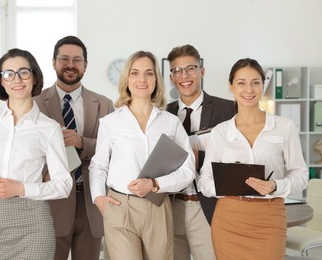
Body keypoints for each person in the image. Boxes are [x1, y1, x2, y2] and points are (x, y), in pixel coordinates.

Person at [0, 48, 73, 260]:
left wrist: (21, 188)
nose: (17, 79)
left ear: (34, 77)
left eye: (24, 72)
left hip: (33, 223)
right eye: (9, 74)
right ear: (2, 82)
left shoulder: (48, 128)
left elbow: (63, 184)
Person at [89, 50, 195, 260]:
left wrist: (155, 184)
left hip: (158, 207)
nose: (142, 79)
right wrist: (98, 198)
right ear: (126, 79)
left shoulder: (170, 122)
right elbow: (98, 165)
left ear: (156, 79)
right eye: (135, 73)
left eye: (149, 73)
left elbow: (188, 169)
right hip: (120, 207)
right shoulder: (111, 122)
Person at [199, 58, 309, 259]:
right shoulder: (220, 132)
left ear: (262, 85)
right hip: (229, 218)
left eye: (255, 82)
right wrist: (227, 186)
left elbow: (301, 176)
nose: (248, 89)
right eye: (241, 83)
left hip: (269, 217)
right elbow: (204, 180)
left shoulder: (284, 127)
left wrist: (276, 186)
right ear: (231, 86)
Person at [34, 35, 114, 260]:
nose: (71, 65)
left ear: (86, 65)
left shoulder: (104, 104)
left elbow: (115, 150)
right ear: (53, 62)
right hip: (51, 202)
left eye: (77, 60)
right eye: (64, 59)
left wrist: (82, 142)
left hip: (90, 201)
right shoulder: (35, 104)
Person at [166, 44, 235, 260]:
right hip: (171, 205)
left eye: (191, 69)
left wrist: (202, 158)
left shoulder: (228, 109)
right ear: (171, 76)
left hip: (207, 206)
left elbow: (237, 155)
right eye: (177, 70)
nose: (184, 76)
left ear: (201, 71)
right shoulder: (163, 114)